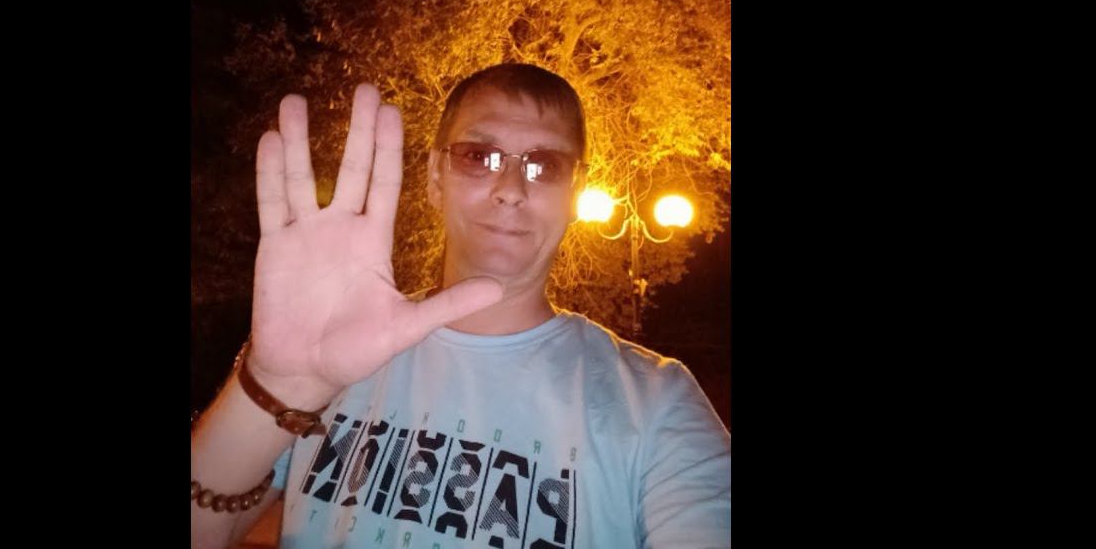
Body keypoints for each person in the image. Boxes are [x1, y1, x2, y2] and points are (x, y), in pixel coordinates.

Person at [191, 64, 730, 549]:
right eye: (479, 157)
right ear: (434, 178)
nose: (510, 188)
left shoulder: (657, 404)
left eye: (544, 164)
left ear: (576, 191)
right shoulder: (338, 353)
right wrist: (277, 383)